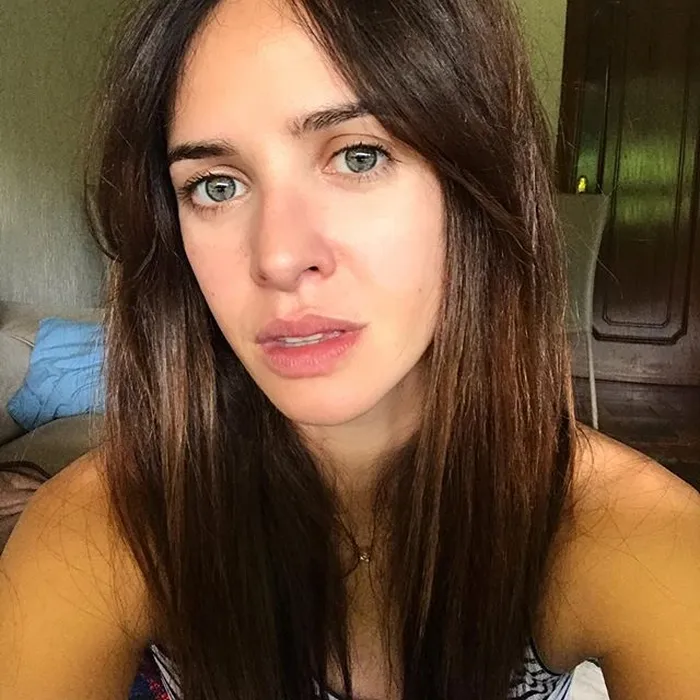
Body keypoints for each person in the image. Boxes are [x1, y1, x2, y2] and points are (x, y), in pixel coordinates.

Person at [1, 0, 698, 698]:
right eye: (217, 186)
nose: (277, 257)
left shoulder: (629, 535)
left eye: (358, 156)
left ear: (475, 184)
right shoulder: (100, 526)